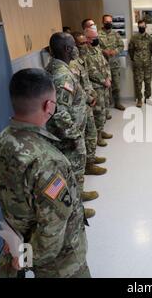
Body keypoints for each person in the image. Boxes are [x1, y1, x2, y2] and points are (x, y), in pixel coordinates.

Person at [0, 68, 90, 278]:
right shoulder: (47, 161)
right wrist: (26, 258)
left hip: (22, 240)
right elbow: (52, 232)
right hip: (61, 266)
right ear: (49, 106)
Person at [46, 32, 97, 219]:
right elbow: (59, 112)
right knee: (71, 175)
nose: (77, 48)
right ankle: (76, 214)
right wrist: (75, 135)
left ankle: (78, 197)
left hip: (69, 133)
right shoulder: (61, 75)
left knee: (72, 175)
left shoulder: (56, 67)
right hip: (68, 137)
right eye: (74, 45)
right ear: (68, 49)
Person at [70, 31, 108, 176]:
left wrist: (92, 94)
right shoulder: (71, 65)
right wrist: (88, 97)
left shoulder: (80, 60)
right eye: (81, 43)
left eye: (86, 42)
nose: (85, 45)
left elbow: (85, 81)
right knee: (85, 136)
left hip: (86, 102)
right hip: (79, 106)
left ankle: (90, 160)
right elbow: (76, 87)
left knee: (90, 133)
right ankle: (87, 164)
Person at [84, 27, 113, 147]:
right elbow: (91, 70)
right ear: (87, 38)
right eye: (94, 38)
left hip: (105, 85)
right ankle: (97, 137)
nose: (97, 39)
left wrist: (109, 77)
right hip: (96, 87)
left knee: (104, 110)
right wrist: (103, 80)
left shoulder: (97, 49)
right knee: (98, 113)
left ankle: (101, 130)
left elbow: (105, 64)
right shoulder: (85, 52)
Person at [99, 14, 126, 111]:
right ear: (103, 22)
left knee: (116, 85)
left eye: (110, 22)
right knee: (104, 86)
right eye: (106, 22)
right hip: (102, 65)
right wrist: (103, 51)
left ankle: (117, 103)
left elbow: (121, 46)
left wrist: (115, 51)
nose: (108, 23)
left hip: (114, 64)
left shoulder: (116, 34)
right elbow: (94, 47)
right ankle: (105, 106)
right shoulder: (98, 34)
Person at [128, 19, 152, 108]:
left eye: (143, 26)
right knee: (138, 82)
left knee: (148, 82)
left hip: (147, 64)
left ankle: (147, 98)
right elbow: (130, 50)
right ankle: (139, 99)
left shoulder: (149, 38)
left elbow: (151, 50)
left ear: (146, 27)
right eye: (140, 26)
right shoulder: (134, 38)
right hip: (138, 64)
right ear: (138, 27)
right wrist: (135, 59)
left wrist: (146, 58)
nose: (141, 27)